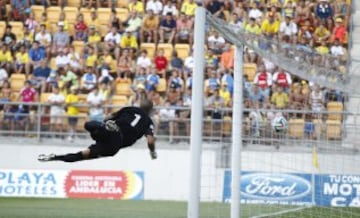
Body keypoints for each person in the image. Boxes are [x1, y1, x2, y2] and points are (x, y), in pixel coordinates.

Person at [38, 99, 157, 162]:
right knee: (83, 155)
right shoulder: (148, 122)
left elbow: (110, 116)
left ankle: (102, 128)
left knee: (89, 126)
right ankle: (55, 158)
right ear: (150, 110)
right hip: (114, 145)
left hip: (110, 133)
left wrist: (105, 122)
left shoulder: (130, 108)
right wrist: (152, 153)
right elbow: (150, 141)